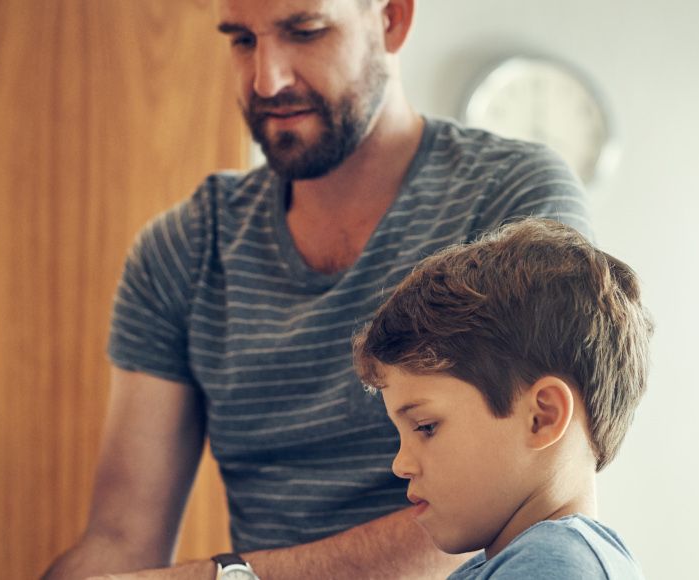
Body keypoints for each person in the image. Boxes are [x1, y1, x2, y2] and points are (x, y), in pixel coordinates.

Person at [42, 0, 591, 577]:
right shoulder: (183, 248)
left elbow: (528, 493)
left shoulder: (513, 202)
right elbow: (122, 538)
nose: (267, 79)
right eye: (241, 40)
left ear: (392, 19)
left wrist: (226, 577)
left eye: (304, 32)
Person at [351, 218, 653, 579]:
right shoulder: (511, 563)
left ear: (543, 417)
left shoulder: (554, 565)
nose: (401, 465)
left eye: (426, 427)